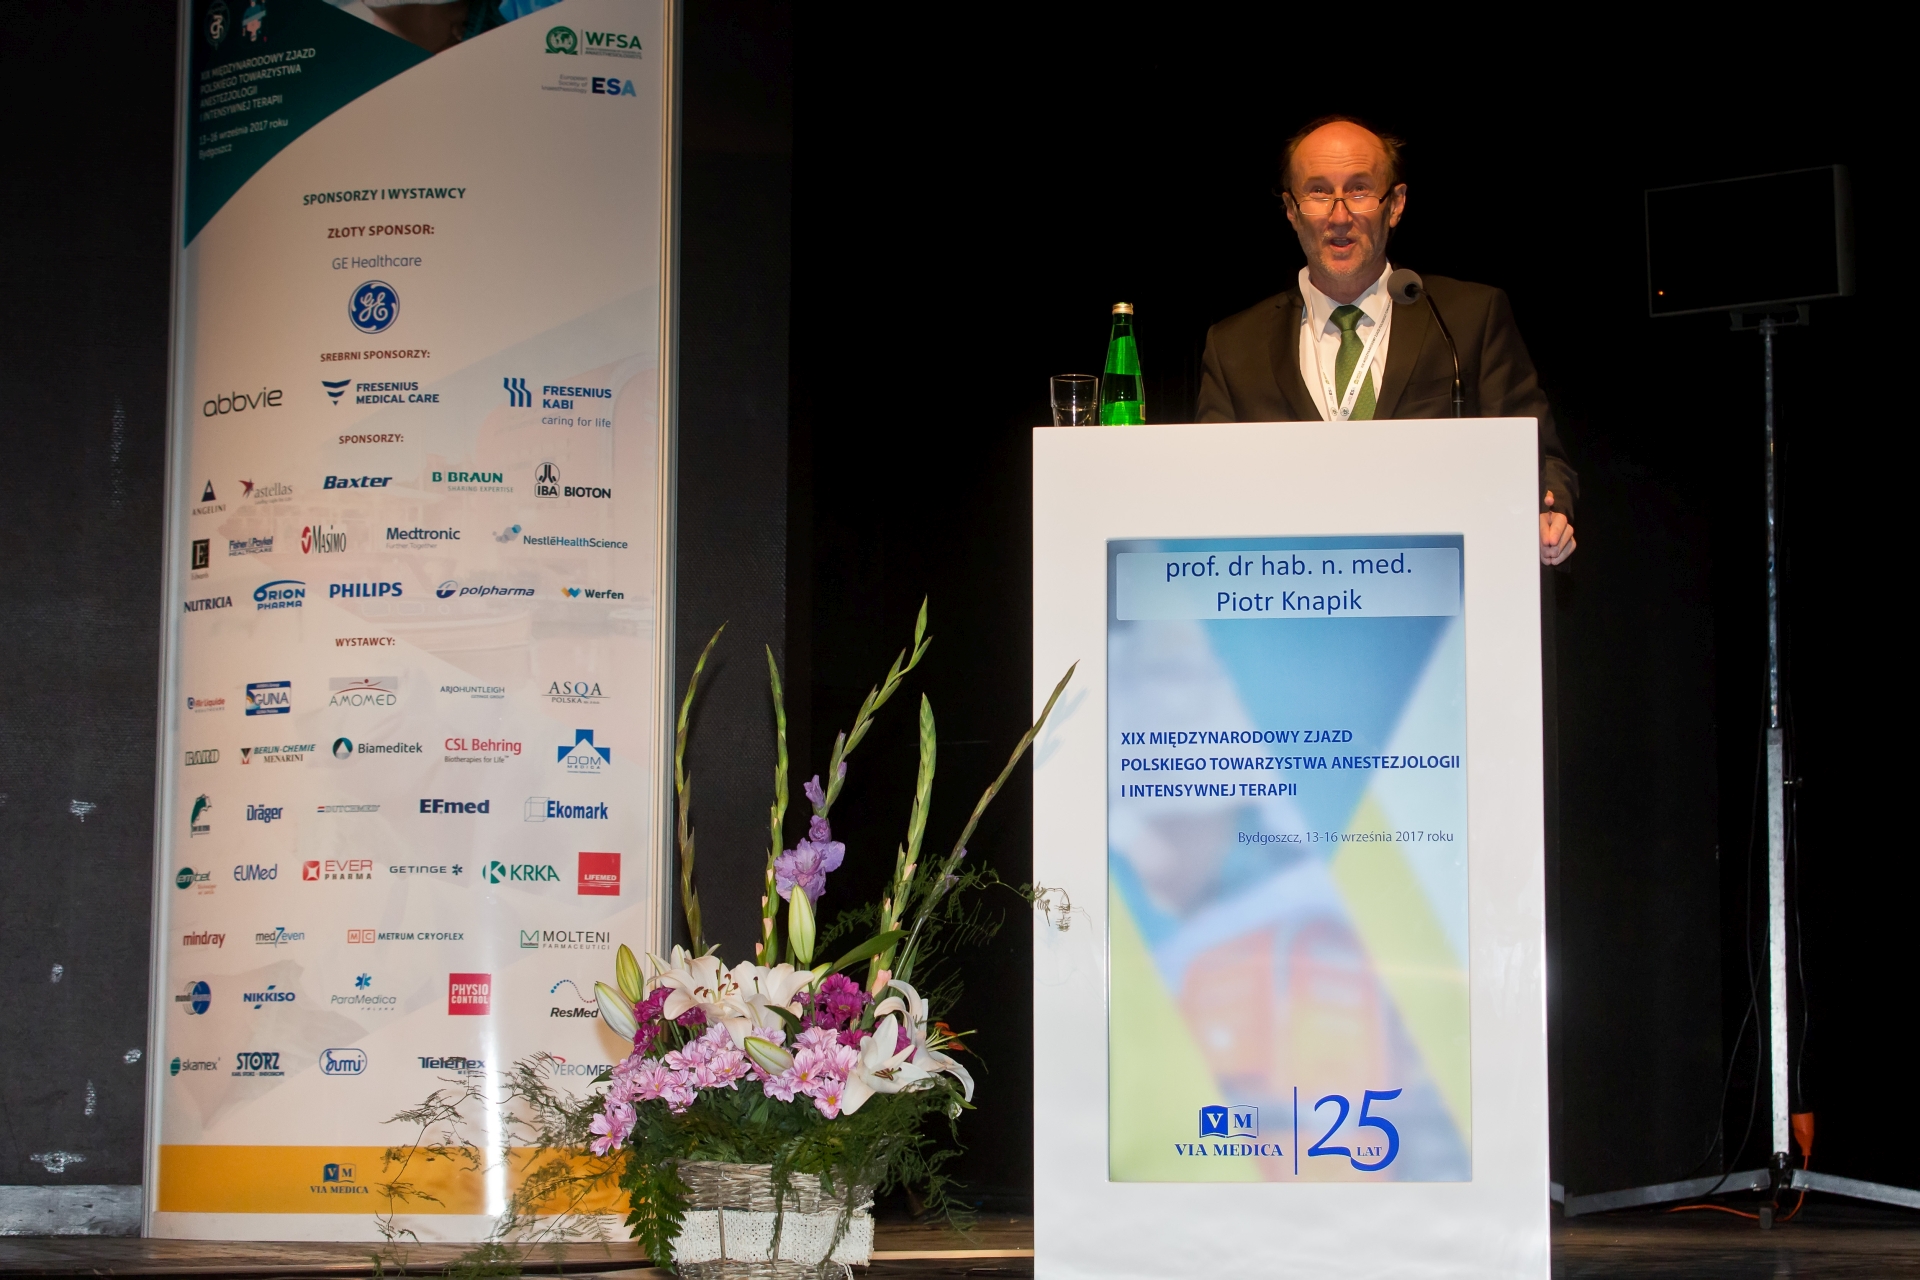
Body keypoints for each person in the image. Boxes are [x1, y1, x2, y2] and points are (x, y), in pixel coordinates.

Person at [1197, 116, 1578, 566]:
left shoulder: (1466, 319)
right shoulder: (1235, 347)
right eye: (1318, 192)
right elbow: (1209, 488)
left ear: (1395, 205)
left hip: (1438, 585)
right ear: (1291, 210)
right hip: (1294, 588)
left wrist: (1548, 510)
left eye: (1359, 190)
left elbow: (1538, 457)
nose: (1340, 216)